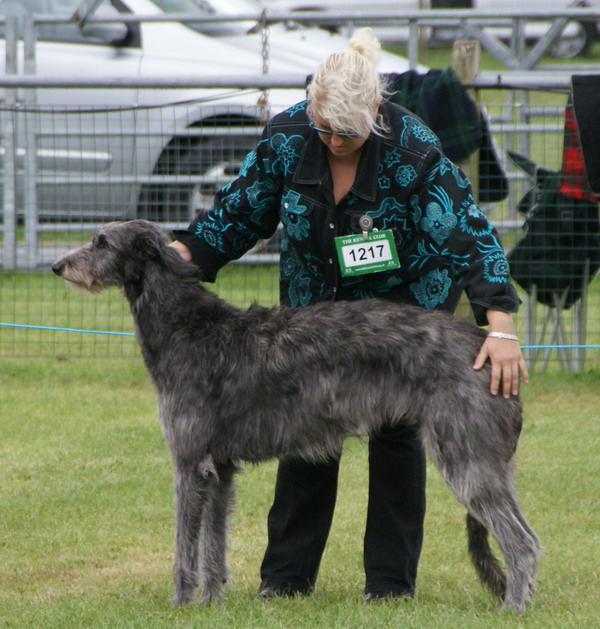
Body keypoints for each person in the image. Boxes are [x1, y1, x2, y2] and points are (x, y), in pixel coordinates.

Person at [169, 28, 528, 602]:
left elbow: (471, 234)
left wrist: (500, 327)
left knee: (396, 438)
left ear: (375, 114)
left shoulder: (412, 148)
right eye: (324, 127)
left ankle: (389, 587)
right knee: (303, 433)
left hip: (403, 314)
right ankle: (285, 581)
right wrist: (176, 258)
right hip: (314, 314)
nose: (333, 140)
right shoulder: (287, 136)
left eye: (347, 131)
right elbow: (236, 214)